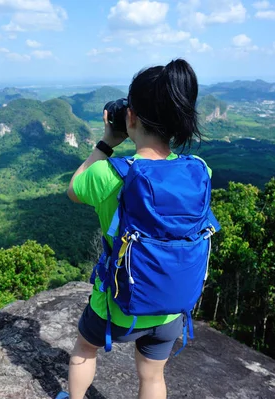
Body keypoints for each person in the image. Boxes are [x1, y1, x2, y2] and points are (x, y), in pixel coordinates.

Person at [59, 58, 211, 399]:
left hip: (115, 305)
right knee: (153, 376)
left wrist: (106, 142)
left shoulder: (108, 174)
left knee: (84, 349)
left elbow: (73, 189)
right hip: (171, 306)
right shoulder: (200, 171)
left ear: (131, 116)